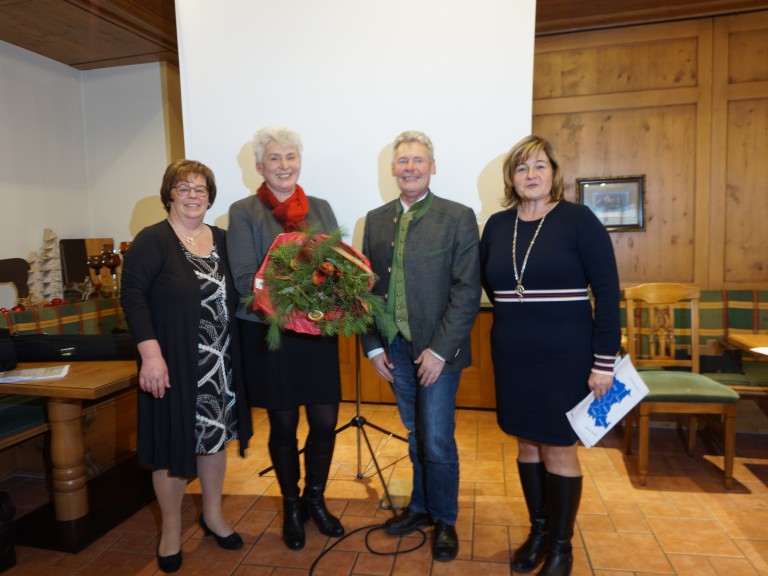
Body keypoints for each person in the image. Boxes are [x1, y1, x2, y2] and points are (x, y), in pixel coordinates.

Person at [479, 135, 620, 576]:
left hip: (567, 357)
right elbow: (491, 283)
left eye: (539, 166)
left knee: (559, 448)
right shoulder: (499, 226)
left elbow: (609, 294)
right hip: (514, 354)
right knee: (526, 444)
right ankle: (537, 531)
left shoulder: (579, 220)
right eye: (522, 168)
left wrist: (603, 361)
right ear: (512, 178)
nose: (531, 175)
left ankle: (561, 546)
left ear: (555, 173)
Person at [121, 159, 253, 574]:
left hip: (220, 365)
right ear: (169, 195)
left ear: (210, 196)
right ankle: (172, 530)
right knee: (172, 447)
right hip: (173, 364)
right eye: (184, 188)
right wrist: (151, 355)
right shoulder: (152, 240)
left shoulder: (225, 239)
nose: (193, 195)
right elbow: (134, 299)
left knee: (214, 442)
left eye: (201, 188)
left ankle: (212, 516)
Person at [360, 130, 481, 562]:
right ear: (393, 168)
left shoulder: (457, 216)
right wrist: (373, 345)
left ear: (433, 167)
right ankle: (420, 508)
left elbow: (466, 292)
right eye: (403, 161)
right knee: (416, 435)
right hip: (393, 350)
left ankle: (445, 518)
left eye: (418, 160)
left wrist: (438, 351)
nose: (410, 167)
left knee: (437, 440)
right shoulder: (375, 220)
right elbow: (366, 289)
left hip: (437, 353)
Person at [227, 125, 344, 551]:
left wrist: (332, 286)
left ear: (299, 161)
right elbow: (243, 278)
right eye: (274, 159)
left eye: (290, 156)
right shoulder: (243, 212)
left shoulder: (322, 208)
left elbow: (338, 266)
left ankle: (316, 498)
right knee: (284, 425)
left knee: (326, 423)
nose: (284, 165)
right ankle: (291, 504)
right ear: (260, 167)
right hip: (272, 334)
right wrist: (296, 292)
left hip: (316, 333)